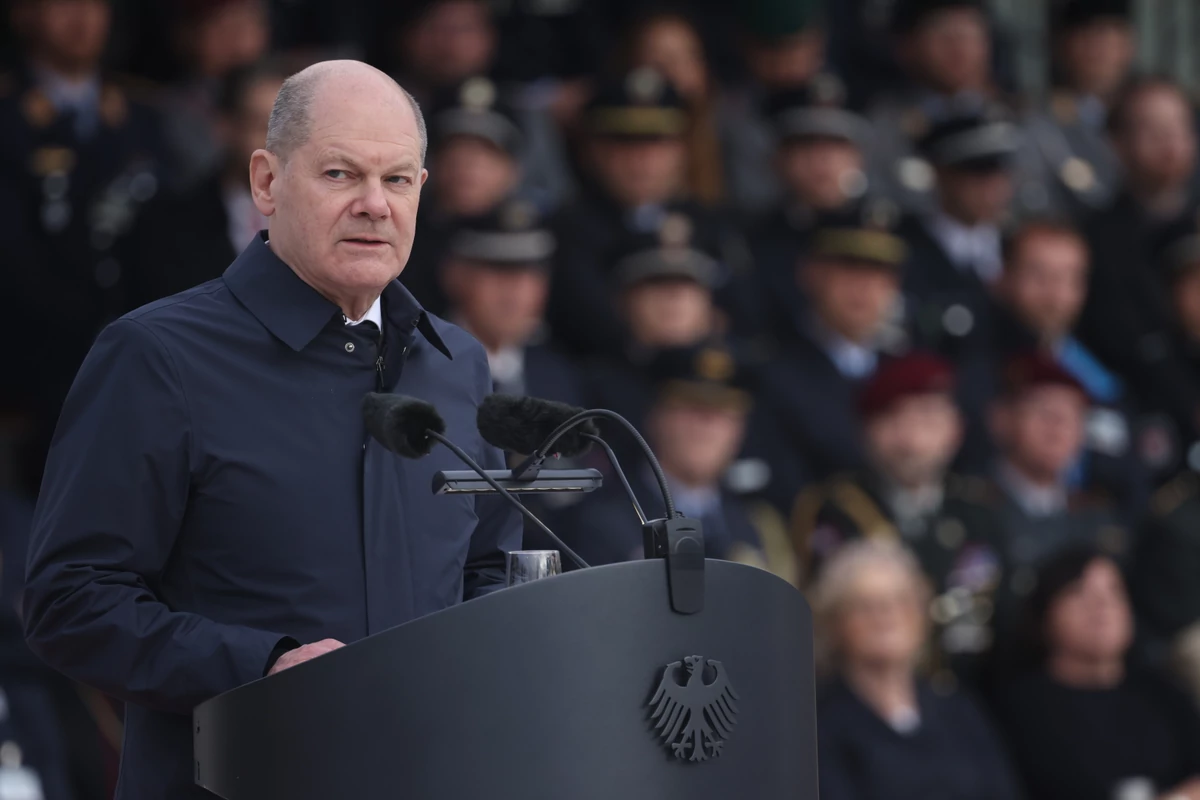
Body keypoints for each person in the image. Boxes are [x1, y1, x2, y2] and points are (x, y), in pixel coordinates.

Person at [22, 60, 522, 799]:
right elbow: (70, 601)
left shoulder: (457, 364)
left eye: (397, 180)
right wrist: (262, 667)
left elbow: (489, 574)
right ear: (266, 183)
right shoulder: (159, 357)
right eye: (340, 174)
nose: (373, 205)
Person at [0, 0, 166, 495]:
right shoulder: (8, 115)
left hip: (136, 351)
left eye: (94, 5)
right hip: (31, 365)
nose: (81, 18)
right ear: (23, 15)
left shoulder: (142, 114)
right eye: (61, 4)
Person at [792, 353, 1004, 685]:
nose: (912, 440)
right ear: (866, 431)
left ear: (956, 429)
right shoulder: (839, 508)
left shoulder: (978, 509)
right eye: (894, 419)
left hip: (974, 695)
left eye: (928, 419)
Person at [549, 68, 754, 356]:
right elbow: (590, 325)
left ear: (681, 150)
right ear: (594, 149)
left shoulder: (712, 223)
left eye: (656, 141)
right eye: (624, 142)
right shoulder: (568, 229)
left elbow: (744, 318)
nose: (642, 158)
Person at [557, 343, 796, 582]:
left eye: (721, 413)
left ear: (740, 430)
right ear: (655, 417)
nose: (706, 425)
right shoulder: (601, 520)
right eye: (691, 406)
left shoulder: (756, 525)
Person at [813, 540, 1021, 800]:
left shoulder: (958, 709)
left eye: (900, 600)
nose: (885, 616)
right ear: (835, 623)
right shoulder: (818, 724)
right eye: (865, 605)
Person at [994, 548, 1200, 800]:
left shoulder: (1164, 692)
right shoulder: (1017, 709)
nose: (1102, 606)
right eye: (1079, 592)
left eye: (1114, 591)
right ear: (1044, 612)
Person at [1077, 77, 1200, 442]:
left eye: (1179, 126)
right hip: (1142, 430)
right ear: (1117, 142)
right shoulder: (1094, 241)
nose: (1168, 140)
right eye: (1151, 127)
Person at [984, 353, 1131, 642]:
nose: (1057, 427)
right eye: (1043, 412)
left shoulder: (1097, 516)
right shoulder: (974, 508)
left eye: (1072, 415)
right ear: (1002, 420)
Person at [762, 198, 910, 482]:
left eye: (878, 271)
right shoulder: (776, 370)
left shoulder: (902, 366)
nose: (863, 286)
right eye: (849, 267)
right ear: (811, 272)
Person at [124, 63, 286, 304]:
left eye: (291, 129)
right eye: (262, 126)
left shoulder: (325, 216)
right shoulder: (167, 226)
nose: (280, 143)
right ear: (225, 127)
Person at [750, 73, 871, 342]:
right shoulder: (752, 243)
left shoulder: (891, 233)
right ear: (778, 158)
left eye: (837, 144)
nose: (823, 159)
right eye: (806, 144)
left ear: (859, 157)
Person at [439, 196, 584, 405]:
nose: (513, 293)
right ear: (455, 275)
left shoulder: (558, 377)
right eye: (497, 272)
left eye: (527, 275)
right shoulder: (421, 368)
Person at [867, 0, 1007, 214]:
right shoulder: (884, 125)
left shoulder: (1014, 116)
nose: (958, 47)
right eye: (943, 34)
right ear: (908, 45)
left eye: (970, 34)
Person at [402, 75, 525, 313]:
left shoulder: (533, 238)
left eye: (487, 151)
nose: (469, 165)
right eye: (455, 148)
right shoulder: (401, 232)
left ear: (513, 170)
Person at [1022, 0, 1135, 219]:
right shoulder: (1040, 121)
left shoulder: (1151, 110)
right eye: (1086, 36)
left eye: (1107, 35)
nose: (1097, 49)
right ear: (1062, 46)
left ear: (1129, 44)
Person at [719, 0, 827, 215]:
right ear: (748, 48)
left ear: (817, 42)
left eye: (793, 45)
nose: (783, 61)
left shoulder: (843, 102)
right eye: (770, 48)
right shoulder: (730, 113)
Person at [159, 0, 270, 192]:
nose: (238, 40)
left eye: (247, 23)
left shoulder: (289, 90)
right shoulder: (173, 111)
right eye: (223, 25)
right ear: (190, 34)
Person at [625, 9, 724, 205]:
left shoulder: (726, 135)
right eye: (660, 63)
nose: (676, 74)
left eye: (689, 58)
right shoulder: (621, 148)